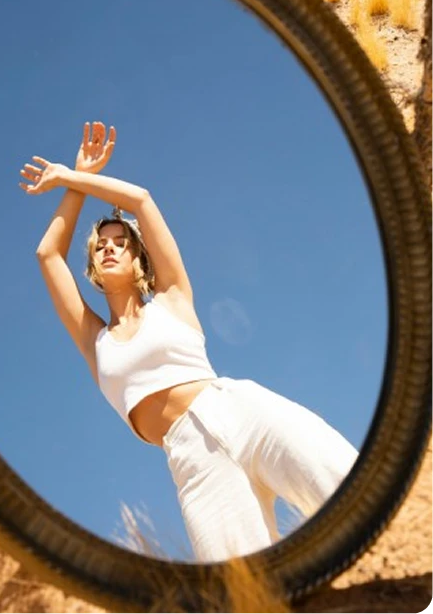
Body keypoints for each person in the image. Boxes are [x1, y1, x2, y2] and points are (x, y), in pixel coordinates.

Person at [19, 121, 359, 563]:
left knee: (347, 490)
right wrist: (74, 187)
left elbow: (141, 200)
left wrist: (73, 174)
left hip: (243, 412)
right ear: (93, 269)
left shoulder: (172, 297)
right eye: (100, 246)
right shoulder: (94, 339)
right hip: (192, 459)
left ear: (139, 259)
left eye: (120, 243)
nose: (109, 248)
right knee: (243, 581)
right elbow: (47, 254)